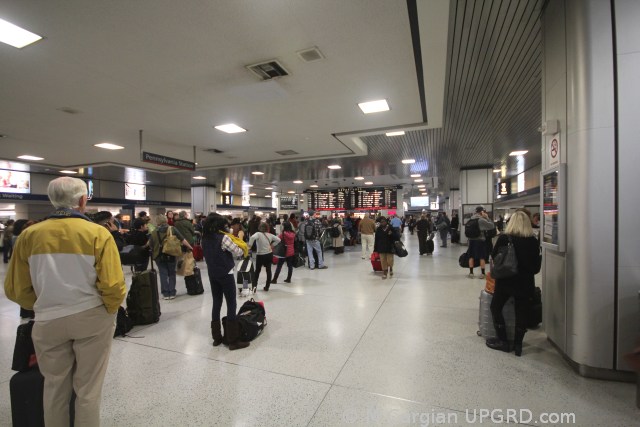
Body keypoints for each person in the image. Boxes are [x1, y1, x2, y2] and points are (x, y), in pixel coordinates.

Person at [4, 176, 126, 426]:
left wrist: (42, 303)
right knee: (88, 390)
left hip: (48, 320)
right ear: (82, 201)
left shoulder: (29, 235)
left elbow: (15, 289)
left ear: (52, 200)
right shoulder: (97, 233)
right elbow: (113, 284)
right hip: (91, 317)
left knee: (55, 386)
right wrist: (109, 310)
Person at [486, 211, 542, 356]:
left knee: (496, 307)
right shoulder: (533, 241)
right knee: (521, 312)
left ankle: (503, 340)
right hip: (526, 283)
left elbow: (494, 257)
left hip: (506, 281)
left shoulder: (505, 238)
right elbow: (536, 268)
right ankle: (518, 345)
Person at [201, 213, 249, 350]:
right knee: (231, 303)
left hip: (212, 274)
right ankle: (233, 340)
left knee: (216, 302)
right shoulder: (224, 238)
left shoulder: (204, 239)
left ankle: (216, 338)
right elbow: (238, 252)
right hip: (226, 273)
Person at [149, 215, 193, 300]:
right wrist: (190, 247)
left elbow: (151, 245)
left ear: (157, 222)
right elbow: (182, 239)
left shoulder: (154, 232)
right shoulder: (172, 229)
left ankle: (165, 294)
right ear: (166, 220)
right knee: (172, 273)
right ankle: (172, 292)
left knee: (163, 274)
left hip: (158, 256)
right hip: (171, 254)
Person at [247, 222, 281, 292]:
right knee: (268, 270)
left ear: (260, 227)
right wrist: (272, 245)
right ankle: (267, 287)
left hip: (260, 255)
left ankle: (254, 287)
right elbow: (279, 240)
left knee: (257, 271)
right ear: (267, 228)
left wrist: (249, 246)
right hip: (269, 254)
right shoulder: (270, 235)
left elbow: (252, 237)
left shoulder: (258, 234)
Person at [467, 206, 496, 279]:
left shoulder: (471, 219)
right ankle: (482, 273)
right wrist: (487, 218)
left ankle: (471, 273)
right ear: (481, 212)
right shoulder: (481, 220)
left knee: (471, 256)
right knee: (482, 257)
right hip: (480, 240)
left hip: (471, 240)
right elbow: (492, 226)